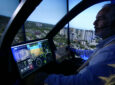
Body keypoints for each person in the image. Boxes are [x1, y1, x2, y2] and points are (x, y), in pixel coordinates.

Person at [36, 3, 115, 85]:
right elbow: (93, 54)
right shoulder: (108, 45)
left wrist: (45, 79)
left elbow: (83, 82)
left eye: (100, 19)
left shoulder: (111, 52)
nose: (94, 23)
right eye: (96, 19)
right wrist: (75, 51)